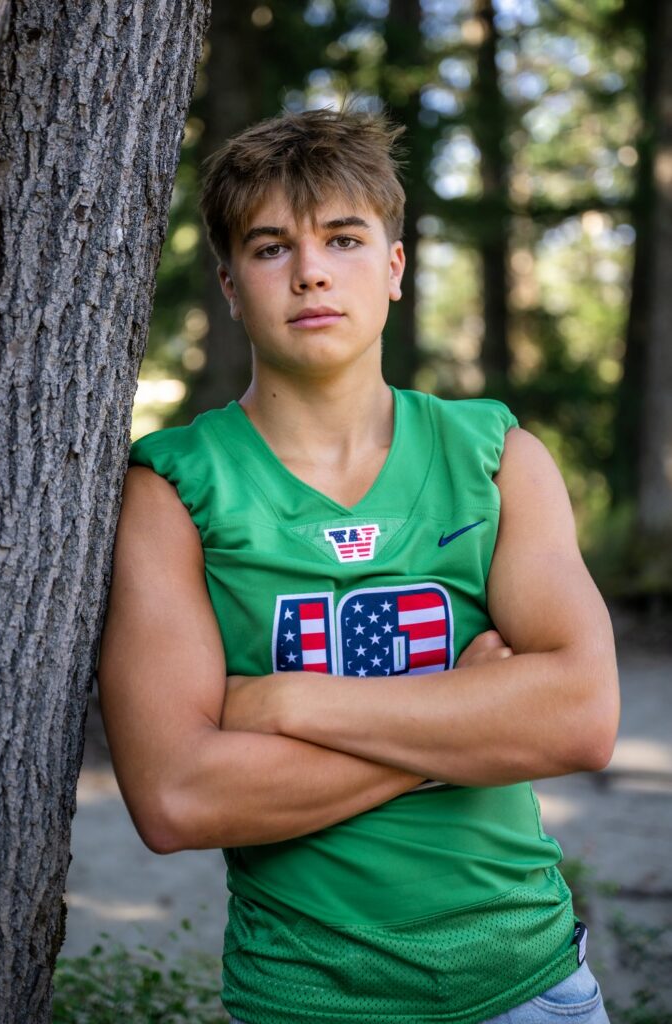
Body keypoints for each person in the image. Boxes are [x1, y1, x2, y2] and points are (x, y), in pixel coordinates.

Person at [97, 107, 619, 1024]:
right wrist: (462, 722)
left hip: (529, 985)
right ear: (227, 283)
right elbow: (177, 796)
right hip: (304, 998)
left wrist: (286, 704)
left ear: (394, 268)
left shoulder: (492, 456)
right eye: (269, 247)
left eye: (343, 237)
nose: (308, 271)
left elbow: (579, 719)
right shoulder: (175, 485)